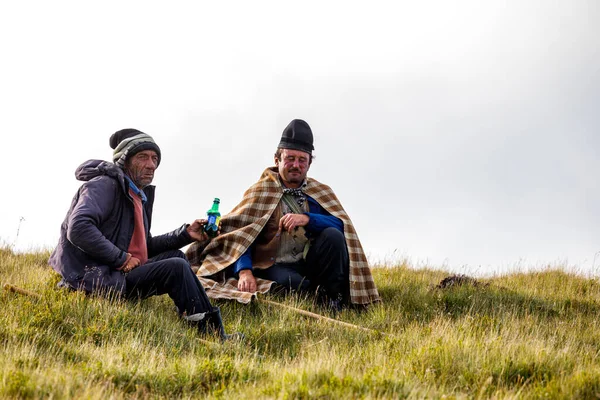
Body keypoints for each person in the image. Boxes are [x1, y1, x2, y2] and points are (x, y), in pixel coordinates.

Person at [49, 128, 239, 340]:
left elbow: (142, 247)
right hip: (94, 277)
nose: (151, 165)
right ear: (124, 160)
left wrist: (185, 234)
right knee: (175, 268)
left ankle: (196, 316)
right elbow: (79, 228)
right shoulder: (104, 185)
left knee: (176, 257)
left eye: (155, 158)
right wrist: (120, 259)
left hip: (114, 273)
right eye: (143, 157)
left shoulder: (136, 194)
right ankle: (210, 334)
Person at [186, 119, 379, 309]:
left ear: (309, 164)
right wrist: (244, 271)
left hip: (309, 261)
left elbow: (341, 225)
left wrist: (308, 219)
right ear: (277, 159)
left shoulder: (321, 192)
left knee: (333, 236)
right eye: (290, 158)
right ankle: (311, 293)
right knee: (296, 287)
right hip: (273, 264)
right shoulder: (260, 192)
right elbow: (241, 235)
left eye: (302, 160)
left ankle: (334, 300)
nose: (296, 165)